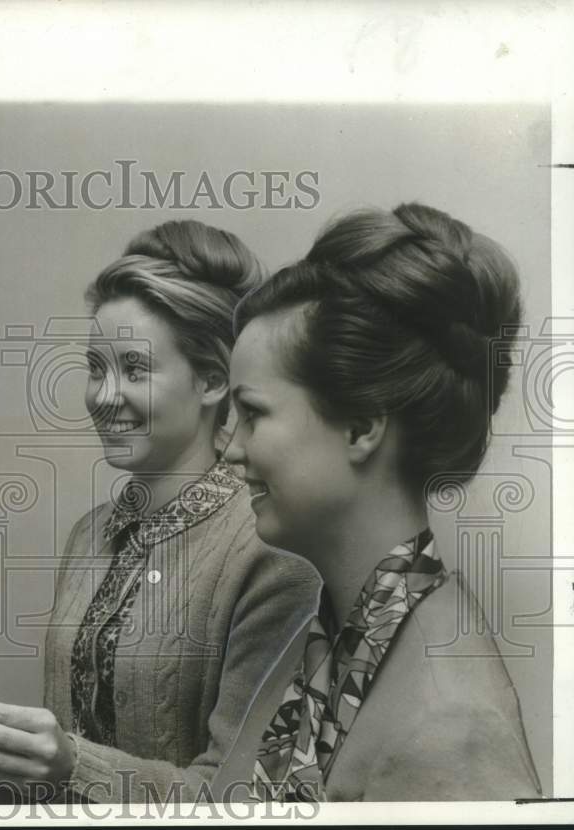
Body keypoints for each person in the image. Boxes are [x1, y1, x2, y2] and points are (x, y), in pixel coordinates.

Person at [0, 220, 323, 803]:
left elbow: (236, 796)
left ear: (213, 381)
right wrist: (6, 763)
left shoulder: (273, 552)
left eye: (135, 369)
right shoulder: (89, 536)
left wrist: (72, 764)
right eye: (95, 368)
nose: (102, 395)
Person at [219, 202, 542, 801]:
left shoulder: (449, 726)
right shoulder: (329, 636)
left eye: (252, 414)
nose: (229, 448)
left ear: (362, 427)